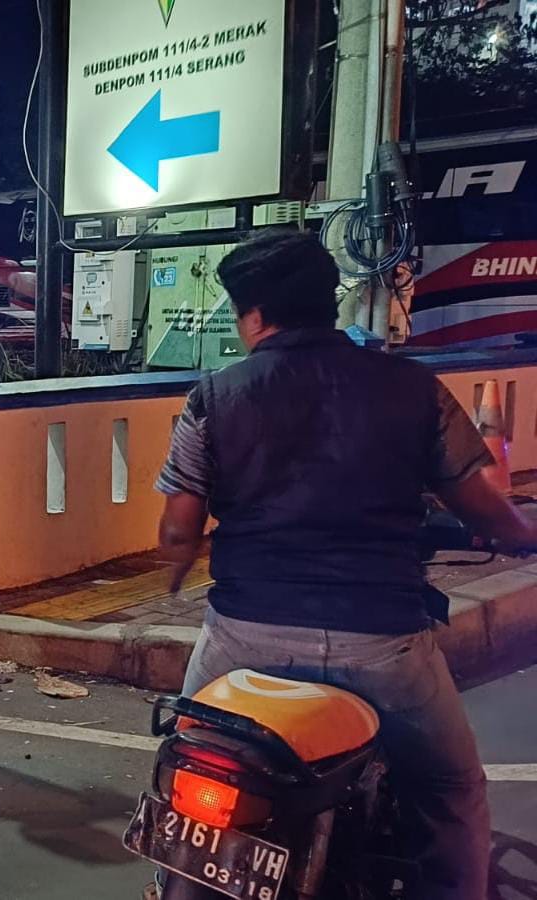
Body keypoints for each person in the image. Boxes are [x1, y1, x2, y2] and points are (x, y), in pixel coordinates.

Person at [156, 229, 537, 900]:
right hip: (380, 642)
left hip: (244, 635)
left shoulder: (213, 397)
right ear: (326, 304)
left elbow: (177, 528)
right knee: (449, 788)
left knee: (186, 759)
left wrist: (176, 573)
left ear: (253, 314)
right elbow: (478, 501)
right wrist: (523, 535)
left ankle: (171, 880)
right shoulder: (412, 387)